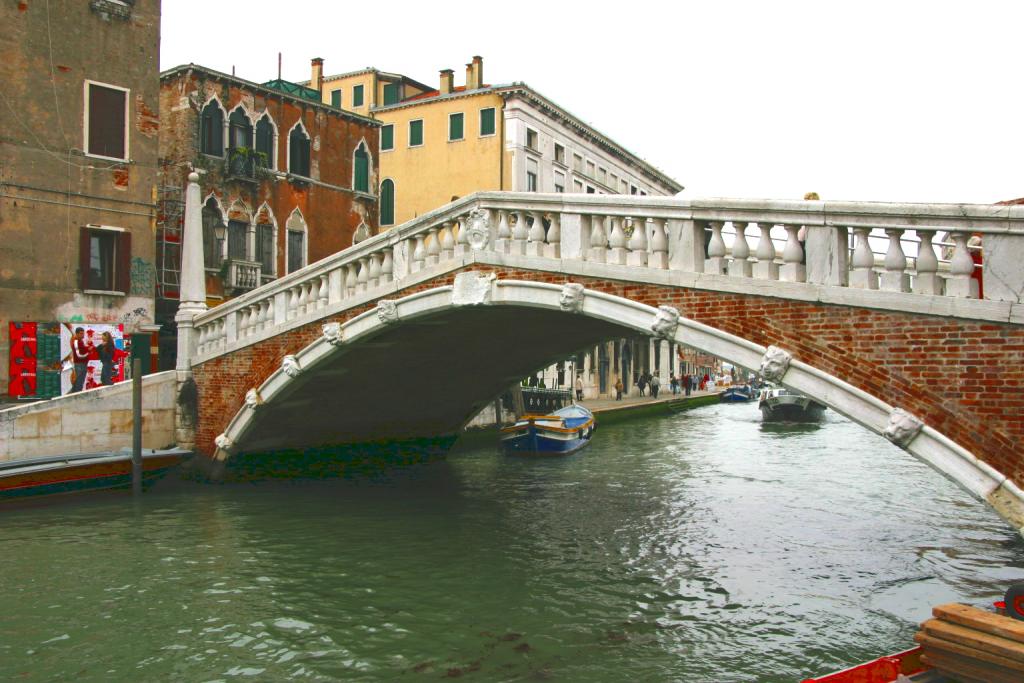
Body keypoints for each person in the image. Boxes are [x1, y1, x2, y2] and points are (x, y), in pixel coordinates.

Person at [69, 327, 92, 393]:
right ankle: (74, 397)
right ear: (77, 334)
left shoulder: (80, 341)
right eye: (81, 333)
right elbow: (79, 355)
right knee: (78, 383)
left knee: (80, 382)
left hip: (83, 364)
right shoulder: (76, 342)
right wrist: (88, 352)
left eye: (83, 333)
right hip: (79, 365)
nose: (83, 335)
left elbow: (82, 351)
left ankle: (77, 396)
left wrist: (87, 349)